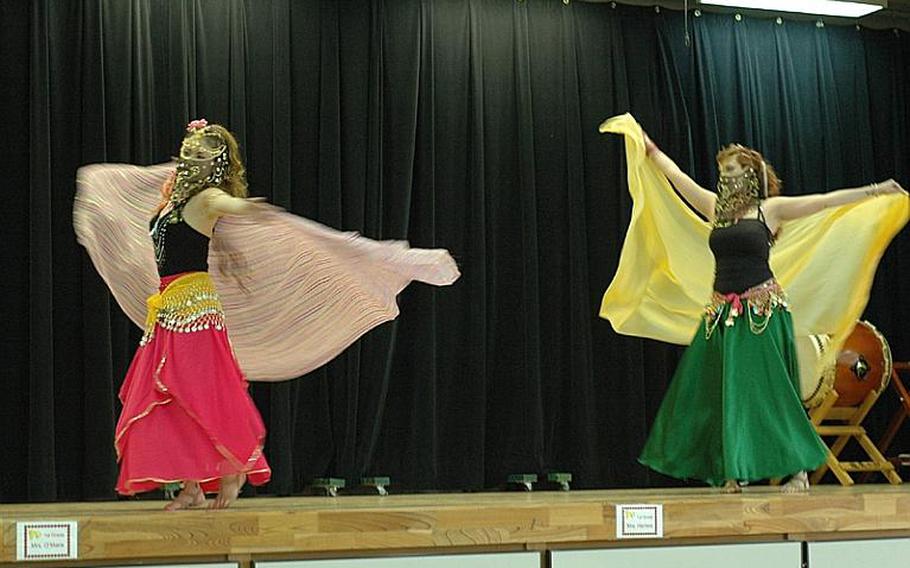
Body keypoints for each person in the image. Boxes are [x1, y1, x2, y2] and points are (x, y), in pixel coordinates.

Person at [74, 119, 460, 509]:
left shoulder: (208, 198)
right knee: (167, 395)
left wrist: (254, 209)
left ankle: (235, 465)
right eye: (188, 150)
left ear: (216, 164)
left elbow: (233, 206)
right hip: (166, 308)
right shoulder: (171, 199)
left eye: (199, 154)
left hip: (194, 310)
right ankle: (191, 488)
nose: (189, 158)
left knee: (199, 391)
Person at [598, 114, 908, 493]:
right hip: (723, 314)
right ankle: (734, 470)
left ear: (749, 173)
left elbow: (824, 202)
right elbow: (677, 179)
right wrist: (647, 146)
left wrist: (875, 191)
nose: (724, 176)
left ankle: (797, 470)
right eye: (722, 170)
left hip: (763, 313)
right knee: (723, 394)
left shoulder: (769, 211)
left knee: (769, 392)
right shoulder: (716, 208)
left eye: (730, 169)